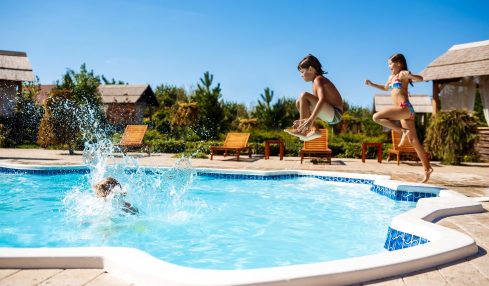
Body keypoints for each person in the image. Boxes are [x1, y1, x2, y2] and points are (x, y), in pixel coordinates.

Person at [365, 53, 433, 183]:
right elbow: (385, 88)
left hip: (404, 108)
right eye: (389, 64)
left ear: (399, 63)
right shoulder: (391, 77)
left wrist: (410, 76)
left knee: (376, 116)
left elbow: (420, 78)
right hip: (405, 113)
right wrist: (372, 84)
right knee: (414, 141)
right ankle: (427, 168)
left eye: (391, 63)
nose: (389, 66)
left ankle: (402, 131)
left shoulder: (402, 74)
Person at [285, 54, 344, 141]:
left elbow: (322, 100)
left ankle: (302, 131)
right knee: (299, 102)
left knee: (304, 95)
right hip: (330, 114)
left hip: (335, 113)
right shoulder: (315, 82)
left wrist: (310, 119)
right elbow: (317, 106)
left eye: (302, 72)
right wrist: (306, 119)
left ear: (310, 69)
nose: (301, 75)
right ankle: (315, 130)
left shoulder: (318, 79)